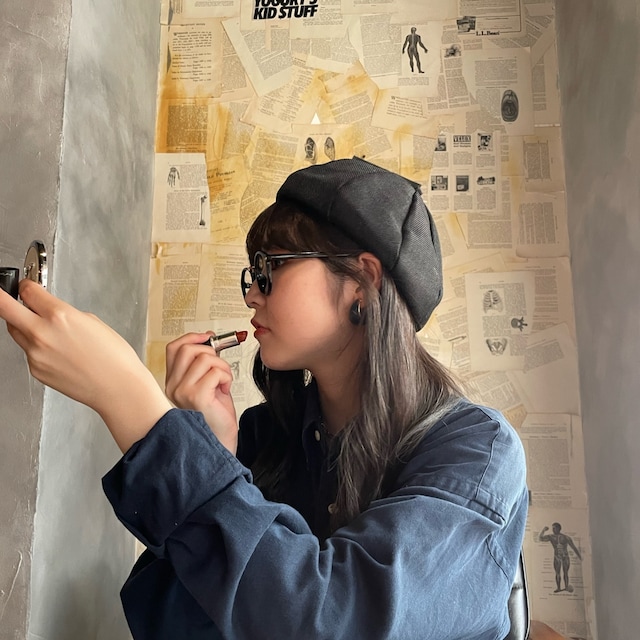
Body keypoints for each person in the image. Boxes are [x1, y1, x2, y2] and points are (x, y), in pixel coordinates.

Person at [0, 158, 528, 639]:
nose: (252, 294)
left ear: (361, 282)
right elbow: (162, 622)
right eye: (252, 274)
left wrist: (133, 405)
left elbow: (334, 619)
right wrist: (216, 454)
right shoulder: (262, 436)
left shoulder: (476, 453)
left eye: (270, 267)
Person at [539, 522, 582, 593]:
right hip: (557, 557)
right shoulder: (551, 537)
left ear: (559, 529)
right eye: (553, 528)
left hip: (565, 556)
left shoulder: (566, 537)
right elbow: (540, 538)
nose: (553, 530)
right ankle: (558, 588)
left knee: (566, 573)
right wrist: (543, 530)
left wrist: (580, 557)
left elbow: (573, 547)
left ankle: (566, 587)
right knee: (557, 573)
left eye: (554, 528)